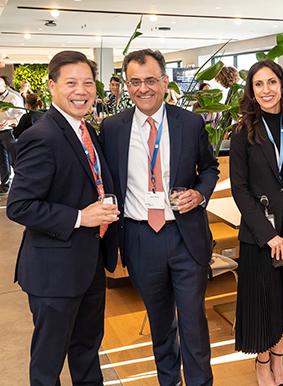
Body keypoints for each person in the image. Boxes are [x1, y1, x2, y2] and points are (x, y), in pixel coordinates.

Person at [99, 48, 219, 386]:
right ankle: (169, 382)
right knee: (160, 321)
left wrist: (200, 193)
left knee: (193, 322)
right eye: (135, 82)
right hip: (139, 238)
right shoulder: (112, 128)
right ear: (126, 85)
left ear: (165, 82)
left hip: (185, 235)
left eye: (150, 80)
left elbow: (209, 169)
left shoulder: (190, 122)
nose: (143, 89)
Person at [7, 50, 120, 386]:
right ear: (52, 86)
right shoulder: (41, 136)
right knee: (48, 363)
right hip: (53, 273)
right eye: (71, 83)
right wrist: (78, 217)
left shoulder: (87, 131)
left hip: (89, 265)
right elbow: (20, 205)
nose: (81, 91)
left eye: (87, 83)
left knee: (86, 350)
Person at [230, 59, 283, 386]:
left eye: (271, 82)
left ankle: (279, 366)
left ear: (282, 85)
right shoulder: (241, 133)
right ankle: (262, 365)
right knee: (263, 305)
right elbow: (239, 189)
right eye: (258, 84)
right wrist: (269, 236)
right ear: (251, 91)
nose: (266, 90)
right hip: (259, 237)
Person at [0, 76, 24, 196]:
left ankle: (21, 186)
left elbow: (22, 115)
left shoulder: (14, 98)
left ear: (4, 86)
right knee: (1, 162)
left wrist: (11, 120)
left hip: (9, 133)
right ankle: (4, 185)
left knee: (14, 160)